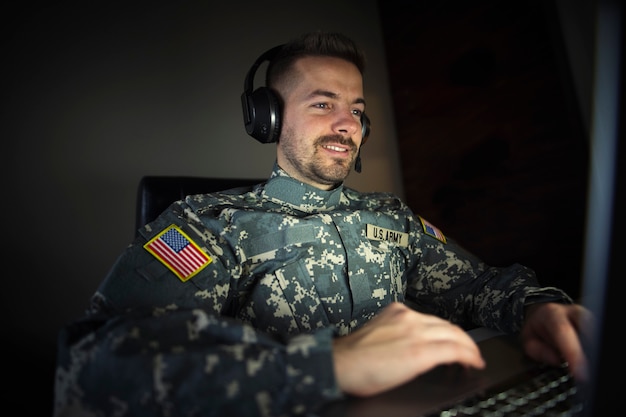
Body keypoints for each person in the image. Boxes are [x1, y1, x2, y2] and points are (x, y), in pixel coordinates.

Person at [53, 31, 590, 417]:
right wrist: (326, 365)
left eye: (356, 109)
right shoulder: (208, 224)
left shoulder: (392, 217)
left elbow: (478, 286)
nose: (346, 123)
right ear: (268, 118)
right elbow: (91, 365)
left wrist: (535, 308)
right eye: (323, 103)